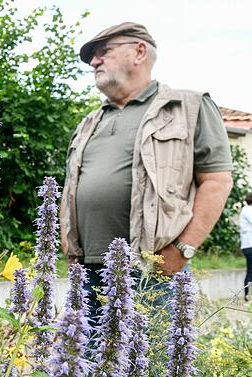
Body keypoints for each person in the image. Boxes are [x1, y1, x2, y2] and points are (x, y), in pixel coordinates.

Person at [59, 22, 233, 318]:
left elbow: (217, 181)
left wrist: (181, 251)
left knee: (154, 363)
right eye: (92, 57)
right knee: (87, 362)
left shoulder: (187, 107)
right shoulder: (89, 122)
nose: (94, 61)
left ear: (139, 52)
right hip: (88, 273)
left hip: (152, 275)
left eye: (103, 52)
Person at [240, 192, 252, 302]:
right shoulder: (247, 210)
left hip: (249, 245)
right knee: (251, 271)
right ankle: (248, 297)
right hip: (250, 245)